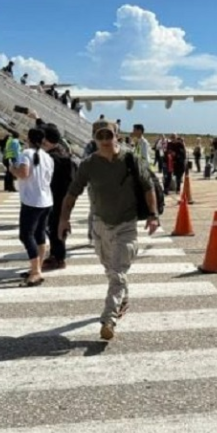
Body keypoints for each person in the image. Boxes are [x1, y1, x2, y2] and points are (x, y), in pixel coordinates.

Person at [58, 121, 161, 341]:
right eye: (100, 136)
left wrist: (153, 215)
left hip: (126, 225)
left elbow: (148, 187)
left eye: (108, 135)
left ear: (116, 136)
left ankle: (109, 319)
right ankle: (123, 299)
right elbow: (72, 193)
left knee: (117, 273)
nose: (105, 140)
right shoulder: (88, 164)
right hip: (100, 225)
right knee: (111, 270)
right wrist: (63, 220)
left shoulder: (131, 160)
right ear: (94, 138)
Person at [9, 128, 54, 287]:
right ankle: (37, 267)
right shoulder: (48, 157)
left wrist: (12, 169)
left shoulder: (26, 154)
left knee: (26, 235)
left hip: (31, 201)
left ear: (28, 138)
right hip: (46, 200)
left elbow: (23, 173)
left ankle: (35, 272)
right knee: (40, 235)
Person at [40, 124, 75, 271]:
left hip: (56, 197)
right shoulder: (61, 151)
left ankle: (58, 258)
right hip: (62, 197)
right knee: (55, 227)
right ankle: (57, 255)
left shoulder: (52, 157)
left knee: (54, 228)